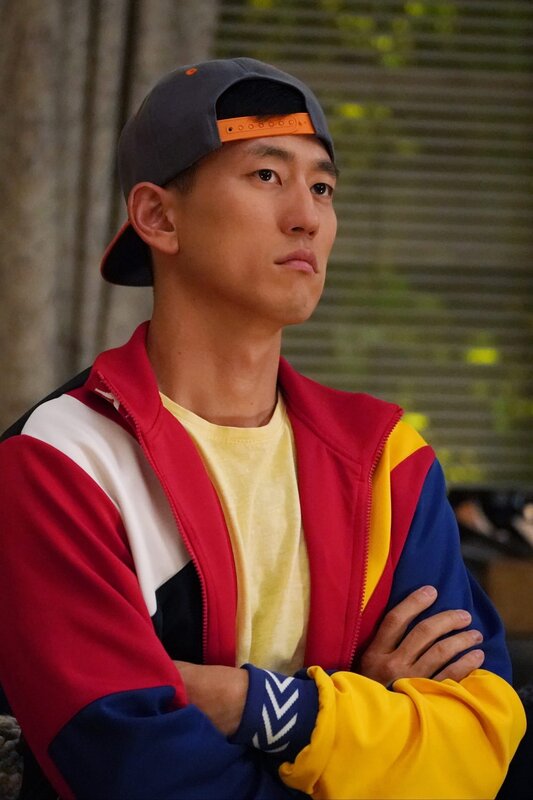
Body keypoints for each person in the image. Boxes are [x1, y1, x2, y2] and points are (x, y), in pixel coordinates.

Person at [0, 57, 525, 800]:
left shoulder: (387, 463)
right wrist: (361, 722)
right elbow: (133, 774)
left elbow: (477, 747)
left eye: (322, 188)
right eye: (267, 175)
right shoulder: (59, 462)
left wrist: (249, 702)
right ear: (159, 218)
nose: (306, 215)